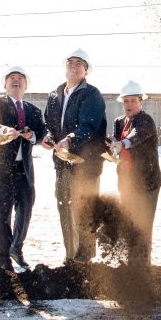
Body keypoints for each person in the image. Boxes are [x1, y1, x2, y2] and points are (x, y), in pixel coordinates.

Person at [41, 49, 107, 263]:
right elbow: (49, 124)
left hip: (86, 163)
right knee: (64, 205)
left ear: (86, 71)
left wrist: (69, 140)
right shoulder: (55, 95)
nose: (74, 66)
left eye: (79, 63)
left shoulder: (92, 95)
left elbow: (89, 125)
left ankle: (85, 257)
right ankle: (71, 255)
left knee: (84, 207)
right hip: (62, 163)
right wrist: (48, 137)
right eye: (71, 62)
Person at [0, 66, 48, 271]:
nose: (16, 80)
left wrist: (32, 135)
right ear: (5, 84)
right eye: (12, 78)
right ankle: (3, 259)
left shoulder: (33, 110)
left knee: (25, 208)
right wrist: (3, 129)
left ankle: (15, 247)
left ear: (26, 85)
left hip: (23, 168)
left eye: (20, 78)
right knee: (2, 213)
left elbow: (42, 132)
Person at [110, 80, 161, 264]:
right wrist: (112, 145)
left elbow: (136, 135)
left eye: (133, 101)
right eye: (126, 101)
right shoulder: (119, 122)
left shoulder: (145, 120)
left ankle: (143, 268)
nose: (129, 105)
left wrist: (122, 144)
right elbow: (116, 143)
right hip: (127, 183)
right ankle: (131, 265)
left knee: (143, 227)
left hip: (147, 184)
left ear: (141, 102)